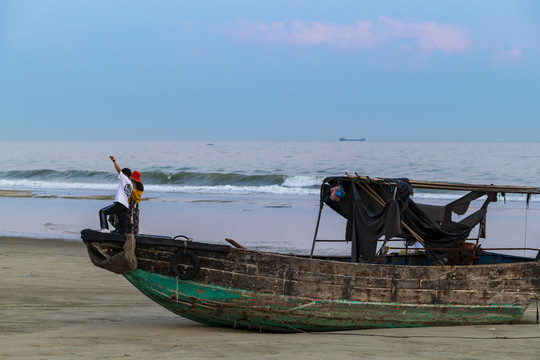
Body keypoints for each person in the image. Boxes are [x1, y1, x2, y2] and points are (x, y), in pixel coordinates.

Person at [99, 156, 132, 234]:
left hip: (120, 203)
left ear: (125, 175)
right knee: (122, 223)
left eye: (122, 174)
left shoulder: (124, 178)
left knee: (102, 212)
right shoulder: (130, 184)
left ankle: (105, 229)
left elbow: (118, 170)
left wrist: (114, 160)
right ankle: (123, 235)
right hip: (125, 205)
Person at [109, 170, 144, 235]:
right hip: (125, 203)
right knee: (113, 216)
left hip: (133, 206)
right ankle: (120, 229)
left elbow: (136, 198)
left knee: (131, 220)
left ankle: (130, 233)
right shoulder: (128, 184)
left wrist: (132, 188)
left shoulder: (140, 188)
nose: (131, 178)